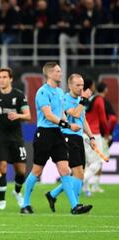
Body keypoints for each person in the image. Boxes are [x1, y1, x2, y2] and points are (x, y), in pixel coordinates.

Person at [20, 62, 92, 215]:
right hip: (44, 134)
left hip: (58, 135)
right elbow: (48, 115)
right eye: (58, 71)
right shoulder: (42, 92)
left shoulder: (60, 92)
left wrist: (66, 125)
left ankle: (75, 206)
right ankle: (25, 203)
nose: (61, 73)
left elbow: (60, 114)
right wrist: (68, 125)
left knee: (65, 170)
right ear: (50, 74)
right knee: (37, 171)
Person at [45, 74, 95, 212]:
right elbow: (75, 114)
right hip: (68, 137)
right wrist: (84, 99)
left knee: (79, 174)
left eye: (82, 85)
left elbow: (83, 120)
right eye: (78, 85)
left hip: (78, 138)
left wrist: (91, 137)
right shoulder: (65, 99)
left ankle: (53, 194)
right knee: (78, 173)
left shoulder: (80, 100)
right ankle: (76, 206)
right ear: (70, 85)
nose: (81, 88)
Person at [0, 68, 31, 210]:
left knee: (21, 171)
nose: (2, 79)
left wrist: (18, 116)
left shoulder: (18, 95)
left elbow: (28, 115)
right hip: (0, 138)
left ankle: (17, 192)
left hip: (16, 138)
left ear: (11, 79)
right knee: (2, 168)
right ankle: (2, 200)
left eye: (5, 77)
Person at [83, 79, 110, 196]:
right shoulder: (99, 100)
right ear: (92, 86)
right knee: (97, 163)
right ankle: (79, 181)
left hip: (84, 133)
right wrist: (107, 133)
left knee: (88, 163)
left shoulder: (86, 99)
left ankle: (85, 188)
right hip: (95, 134)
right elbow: (103, 119)